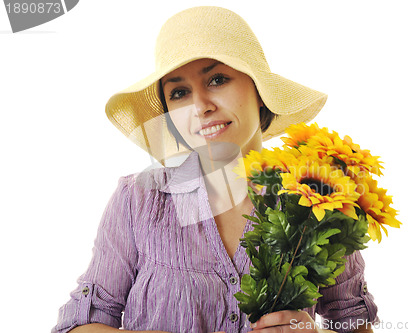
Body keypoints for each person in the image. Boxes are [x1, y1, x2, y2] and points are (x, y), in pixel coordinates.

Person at [52, 6, 378, 333]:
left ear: (260, 93)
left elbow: (354, 322)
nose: (200, 106)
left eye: (217, 79)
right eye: (179, 93)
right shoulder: (138, 201)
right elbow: (78, 324)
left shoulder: (318, 200)